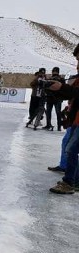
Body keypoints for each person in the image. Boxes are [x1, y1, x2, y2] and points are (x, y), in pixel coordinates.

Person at [48, 43, 79, 194]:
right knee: (70, 148)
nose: (78, 65)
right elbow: (73, 94)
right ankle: (73, 180)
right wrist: (55, 89)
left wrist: (61, 87)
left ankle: (69, 182)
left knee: (71, 148)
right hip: (76, 119)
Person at [44, 66, 64, 131]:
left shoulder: (59, 79)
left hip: (54, 98)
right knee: (55, 113)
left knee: (53, 112)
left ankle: (51, 125)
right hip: (54, 98)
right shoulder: (60, 79)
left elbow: (46, 88)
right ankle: (56, 126)